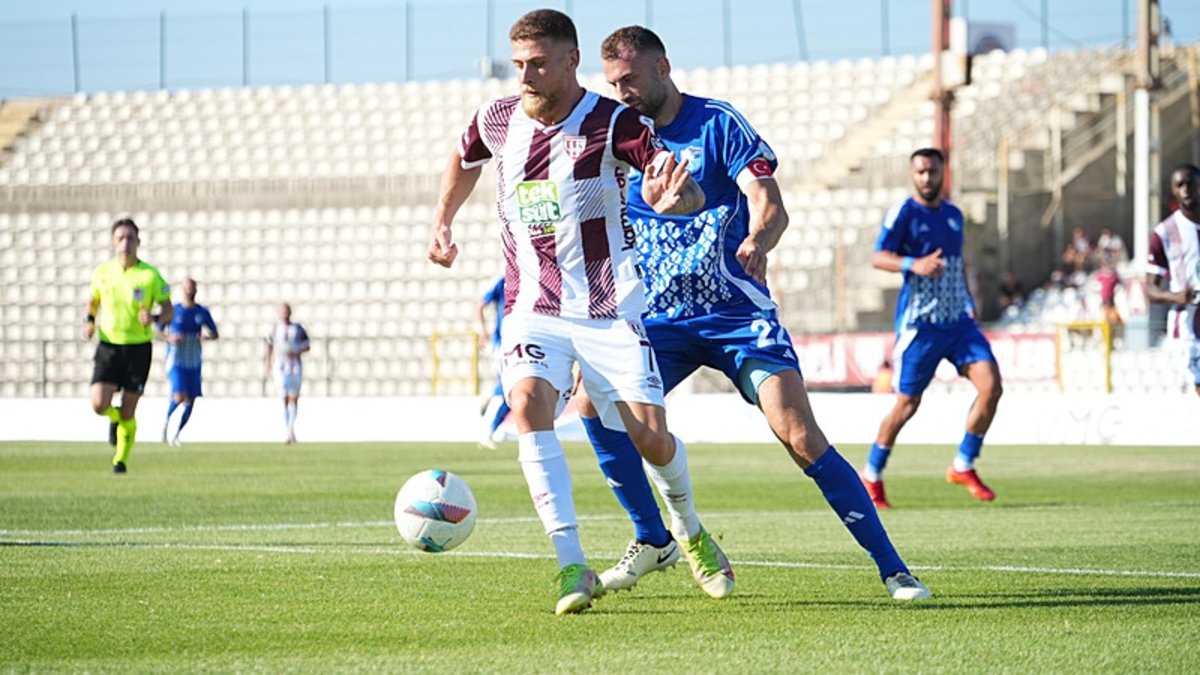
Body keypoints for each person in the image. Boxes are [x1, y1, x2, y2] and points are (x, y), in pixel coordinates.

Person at [569, 25, 929, 602]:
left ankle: (893, 568)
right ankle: (652, 537)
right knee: (589, 397)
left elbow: (769, 204)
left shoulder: (718, 124)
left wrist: (758, 240)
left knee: (799, 434)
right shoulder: (615, 140)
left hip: (736, 315)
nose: (623, 92)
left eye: (631, 78)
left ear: (663, 67)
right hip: (659, 320)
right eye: (613, 83)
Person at [427, 9, 726, 616]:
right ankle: (570, 563)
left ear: (570, 60)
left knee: (650, 435)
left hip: (607, 306)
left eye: (538, 64)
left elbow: (677, 187)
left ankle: (689, 528)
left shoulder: (614, 123)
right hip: (532, 305)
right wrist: (443, 220)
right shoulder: (498, 117)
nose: (526, 77)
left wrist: (678, 199)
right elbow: (463, 158)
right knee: (528, 405)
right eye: (518, 65)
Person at [860, 148, 1003, 508]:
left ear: (943, 173)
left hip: (958, 323)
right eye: (921, 172)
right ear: (912, 174)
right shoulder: (904, 213)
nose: (927, 178)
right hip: (920, 326)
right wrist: (914, 263)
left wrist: (970, 303)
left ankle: (963, 464)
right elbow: (879, 257)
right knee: (907, 403)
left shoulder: (954, 214)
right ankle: (872, 475)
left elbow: (958, 264)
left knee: (992, 387)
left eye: (933, 171)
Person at [83, 217, 174, 474]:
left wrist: (155, 318)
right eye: (121, 238)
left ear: (138, 242)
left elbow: (169, 310)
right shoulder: (102, 273)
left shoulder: (149, 275)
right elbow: (93, 301)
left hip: (138, 348)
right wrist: (89, 322)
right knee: (99, 403)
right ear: (113, 242)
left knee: (128, 410)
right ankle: (113, 422)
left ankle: (120, 460)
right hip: (109, 345)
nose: (125, 243)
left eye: (130, 238)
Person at [1147, 163, 1200, 397]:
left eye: (1191, 184)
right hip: (1188, 326)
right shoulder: (1165, 233)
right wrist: (1176, 296)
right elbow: (1150, 289)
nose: (1186, 189)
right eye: (1180, 185)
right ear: (1173, 191)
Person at [158, 278, 219, 446]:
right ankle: (166, 423)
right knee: (178, 395)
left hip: (193, 359)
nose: (189, 291)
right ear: (182, 290)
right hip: (176, 359)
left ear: (196, 290)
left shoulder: (201, 312)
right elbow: (158, 332)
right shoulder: (174, 311)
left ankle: (176, 434)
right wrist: (169, 338)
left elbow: (215, 333)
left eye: (192, 288)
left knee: (191, 399)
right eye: (187, 288)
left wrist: (207, 336)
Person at [265, 302, 310, 443]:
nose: (284, 314)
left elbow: (307, 345)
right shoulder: (274, 329)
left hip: (295, 366)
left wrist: (297, 351)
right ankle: (288, 431)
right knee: (284, 397)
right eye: (282, 311)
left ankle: (291, 429)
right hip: (280, 366)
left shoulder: (298, 329)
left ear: (290, 313)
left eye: (287, 311)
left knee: (293, 397)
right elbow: (269, 345)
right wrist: (268, 361)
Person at [475, 275, 510, 450]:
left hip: (525, 342)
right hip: (504, 343)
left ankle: (491, 396)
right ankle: (486, 432)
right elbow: (481, 304)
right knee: (507, 389)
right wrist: (483, 331)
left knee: (512, 391)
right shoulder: (503, 280)